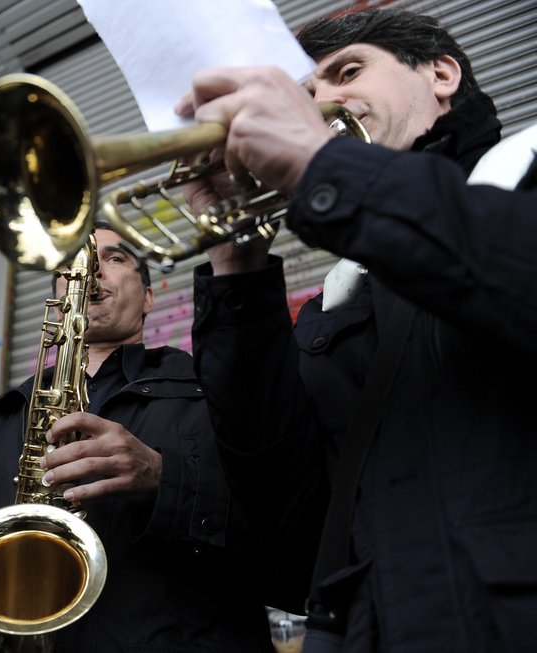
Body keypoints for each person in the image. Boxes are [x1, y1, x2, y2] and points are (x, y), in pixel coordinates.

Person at [179, 7, 537, 652]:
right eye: (306, 95)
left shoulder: (526, 177)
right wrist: (236, 259)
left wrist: (323, 165)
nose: (320, 104)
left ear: (442, 74)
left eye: (346, 73)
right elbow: (287, 517)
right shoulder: (340, 298)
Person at [0, 225, 275, 652]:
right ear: (59, 295)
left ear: (149, 298)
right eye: (71, 264)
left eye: (116, 259)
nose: (91, 269)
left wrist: (161, 476)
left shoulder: (215, 394)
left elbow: (284, 544)